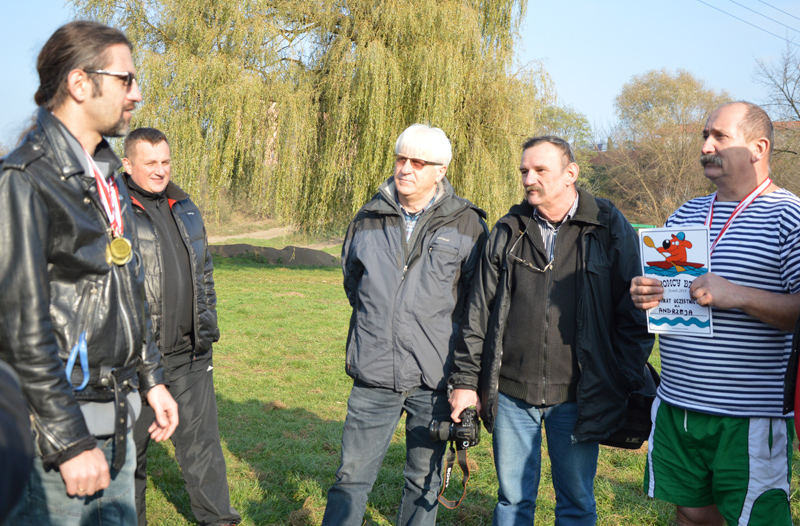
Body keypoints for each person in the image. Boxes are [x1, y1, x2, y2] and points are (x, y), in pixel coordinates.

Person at [0, 21, 178, 526]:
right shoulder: (25, 179)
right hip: (57, 439)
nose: (136, 94)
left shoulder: (105, 178)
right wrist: (69, 440)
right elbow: (17, 328)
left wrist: (151, 379)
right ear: (80, 83)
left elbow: (129, 287)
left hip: (116, 418)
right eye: (126, 79)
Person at [449, 135, 654, 525]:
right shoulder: (508, 229)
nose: (529, 179)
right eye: (524, 171)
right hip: (511, 395)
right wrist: (465, 381)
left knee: (577, 502)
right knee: (512, 501)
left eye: (540, 170)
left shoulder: (608, 226)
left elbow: (637, 311)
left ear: (570, 173)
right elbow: (478, 314)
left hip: (578, 397)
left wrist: (620, 378)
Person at [630, 101, 800, 526]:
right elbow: (667, 293)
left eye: (720, 137)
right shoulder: (685, 213)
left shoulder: (789, 216)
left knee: (756, 519)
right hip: (678, 403)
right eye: (705, 136)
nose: (706, 146)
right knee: (690, 515)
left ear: (758, 148)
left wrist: (738, 295)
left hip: (749, 415)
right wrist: (647, 293)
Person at [321, 123, 487, 526]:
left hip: (434, 379)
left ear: (440, 170)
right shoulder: (368, 217)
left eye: (418, 162)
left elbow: (476, 306)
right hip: (374, 373)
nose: (405, 168)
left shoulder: (467, 223)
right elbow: (354, 284)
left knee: (423, 483)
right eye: (401, 158)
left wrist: (465, 379)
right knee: (350, 478)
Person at [123, 127, 240, 526]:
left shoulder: (185, 205)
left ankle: (219, 520)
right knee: (128, 458)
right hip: (138, 360)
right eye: (151, 163)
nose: (160, 170)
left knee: (203, 447)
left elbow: (204, 270)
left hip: (191, 354)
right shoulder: (114, 210)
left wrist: (206, 326)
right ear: (128, 164)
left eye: (166, 161)